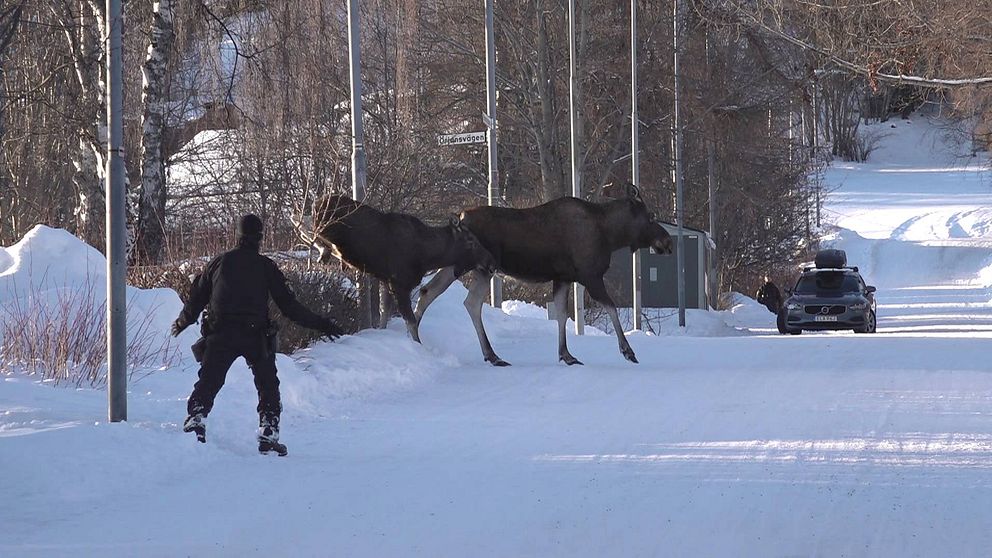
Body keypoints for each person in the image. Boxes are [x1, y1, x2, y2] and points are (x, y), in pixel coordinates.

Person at [171, 214, 344, 456]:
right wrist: (322, 324)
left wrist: (183, 322)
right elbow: (289, 306)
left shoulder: (218, 263)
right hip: (255, 336)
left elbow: (196, 299)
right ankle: (268, 431)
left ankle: (196, 418)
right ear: (260, 238)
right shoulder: (266, 267)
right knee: (267, 384)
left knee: (210, 379)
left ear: (237, 236)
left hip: (221, 334)